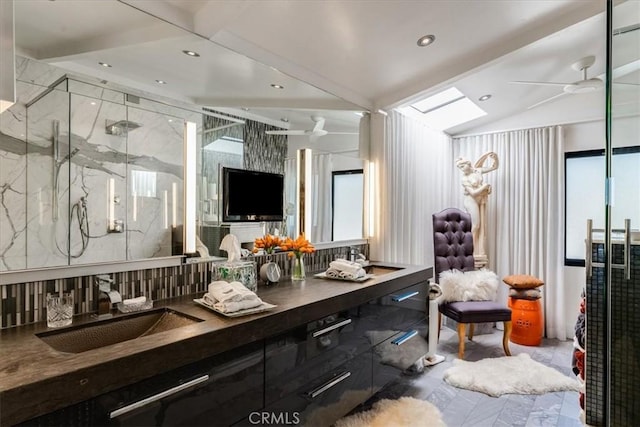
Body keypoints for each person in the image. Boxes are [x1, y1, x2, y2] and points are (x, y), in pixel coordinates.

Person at [455, 152, 499, 266]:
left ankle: (478, 249)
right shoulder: (464, 179)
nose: (462, 169)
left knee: (481, 227)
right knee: (476, 225)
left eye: (462, 166)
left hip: (480, 199)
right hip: (471, 200)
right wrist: (485, 186)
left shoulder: (477, 170)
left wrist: (496, 158)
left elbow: (494, 167)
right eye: (459, 167)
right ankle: (470, 249)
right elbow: (473, 193)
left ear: (469, 164)